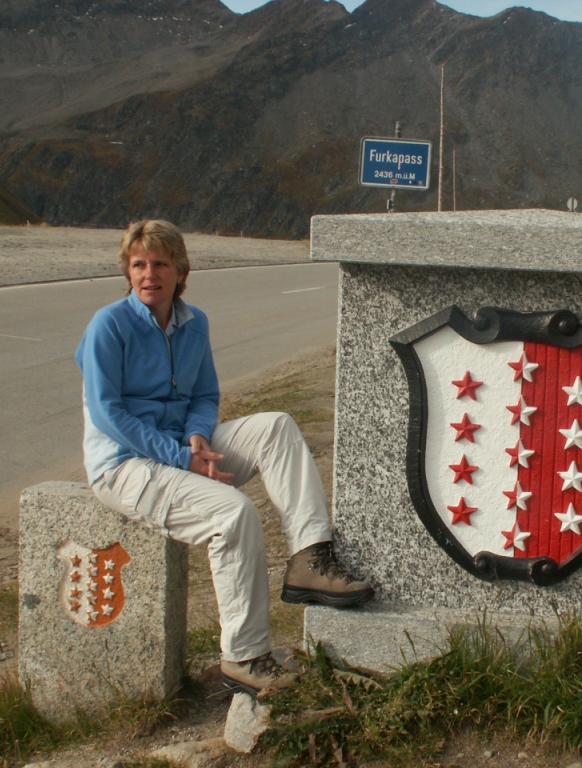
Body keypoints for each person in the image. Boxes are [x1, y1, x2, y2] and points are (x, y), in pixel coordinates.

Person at [75, 219, 372, 699]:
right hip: (124, 465)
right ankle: (244, 657)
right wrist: (179, 455)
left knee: (276, 426)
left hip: (180, 447)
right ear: (128, 272)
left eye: (160, 264)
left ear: (180, 271)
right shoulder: (108, 325)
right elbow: (108, 414)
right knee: (232, 515)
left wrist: (195, 437)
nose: (149, 274)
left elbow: (205, 393)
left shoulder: (195, 324)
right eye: (138, 264)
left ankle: (309, 557)